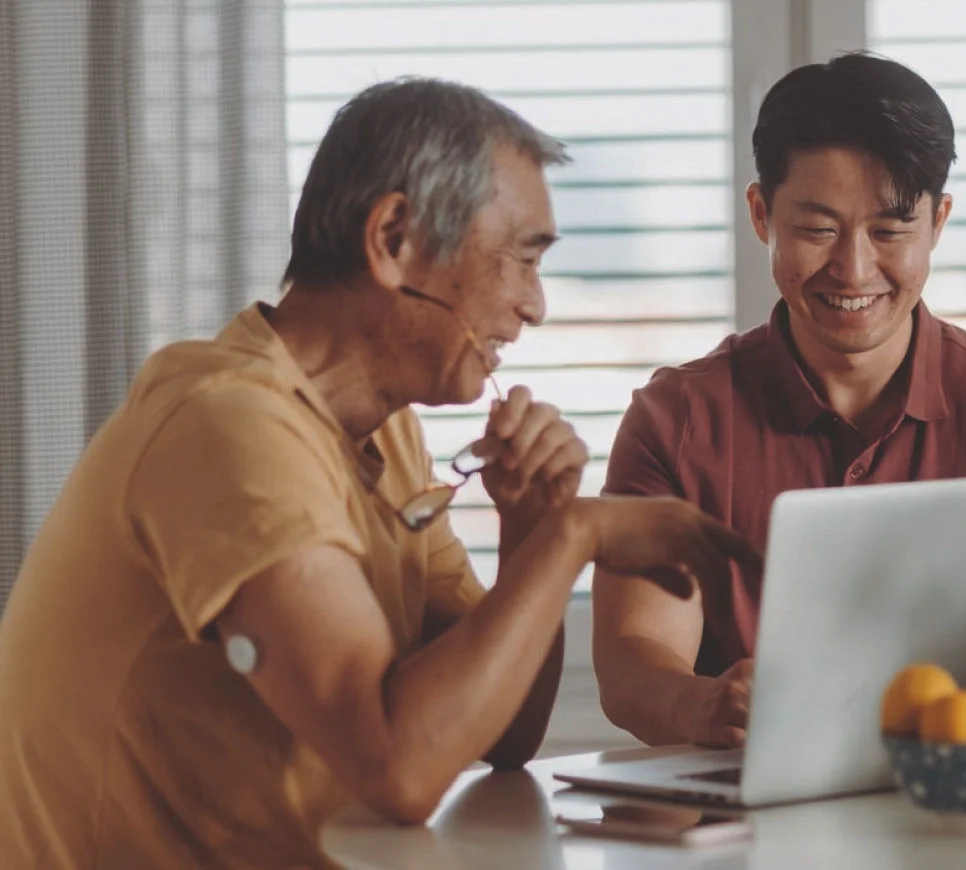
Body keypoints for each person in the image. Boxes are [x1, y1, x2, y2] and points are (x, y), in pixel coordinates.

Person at [0, 78, 757, 869]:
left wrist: (531, 525)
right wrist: (579, 534)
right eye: (521, 260)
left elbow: (501, 735)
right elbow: (401, 766)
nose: (535, 306)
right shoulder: (226, 422)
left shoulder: (389, 437)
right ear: (393, 237)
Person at [592, 51, 966, 750]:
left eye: (891, 230)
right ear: (761, 214)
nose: (854, 268)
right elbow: (635, 657)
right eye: (818, 229)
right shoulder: (677, 420)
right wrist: (703, 705)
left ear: (938, 222)